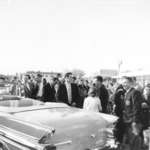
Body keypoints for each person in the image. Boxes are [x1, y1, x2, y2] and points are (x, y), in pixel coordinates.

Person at [121, 76, 143, 150]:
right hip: (128, 121)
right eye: (123, 83)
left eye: (125, 82)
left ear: (131, 83)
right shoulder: (127, 93)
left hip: (133, 122)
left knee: (135, 143)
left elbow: (136, 108)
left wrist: (134, 121)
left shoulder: (135, 92)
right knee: (131, 142)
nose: (124, 84)